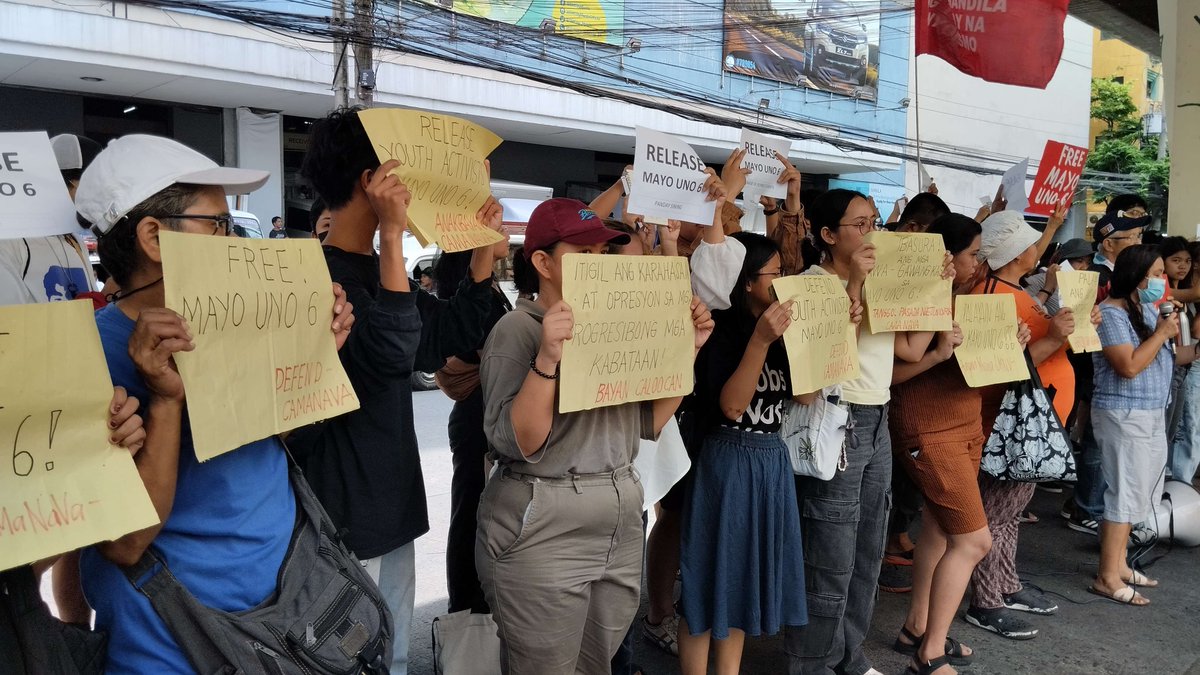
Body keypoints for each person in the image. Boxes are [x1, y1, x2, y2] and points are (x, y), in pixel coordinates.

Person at [71, 134, 353, 673]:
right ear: (154, 236)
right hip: (173, 644)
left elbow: (265, 443)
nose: (236, 240)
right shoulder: (87, 358)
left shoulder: (230, 320)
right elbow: (125, 544)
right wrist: (165, 400)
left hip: (285, 619)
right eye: (218, 225)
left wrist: (312, 357)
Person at [294, 106, 500, 675]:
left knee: (395, 656)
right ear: (372, 182)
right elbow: (389, 353)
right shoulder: (312, 277)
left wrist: (483, 248)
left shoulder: (381, 274)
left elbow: (443, 339)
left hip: (389, 504)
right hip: (340, 513)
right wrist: (390, 234)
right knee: (343, 659)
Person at [477, 197, 715, 673]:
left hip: (619, 515)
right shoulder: (517, 330)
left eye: (603, 256)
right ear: (543, 263)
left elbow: (648, 421)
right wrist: (547, 359)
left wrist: (687, 349)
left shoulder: (614, 328)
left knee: (595, 665)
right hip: (543, 521)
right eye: (583, 256)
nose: (600, 268)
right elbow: (519, 442)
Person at [786, 189, 941, 675]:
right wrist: (852, 286)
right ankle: (812, 664)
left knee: (868, 550)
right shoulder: (808, 287)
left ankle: (848, 658)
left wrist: (937, 289)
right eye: (859, 223)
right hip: (836, 417)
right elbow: (821, 367)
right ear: (828, 235)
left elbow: (912, 351)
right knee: (829, 554)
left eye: (874, 220)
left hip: (877, 420)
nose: (872, 230)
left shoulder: (882, 281)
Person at [678, 228, 811, 675]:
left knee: (739, 585)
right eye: (775, 273)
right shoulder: (724, 331)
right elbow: (733, 407)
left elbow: (808, 396)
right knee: (706, 582)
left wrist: (833, 328)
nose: (783, 281)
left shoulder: (783, 331)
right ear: (747, 281)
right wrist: (760, 341)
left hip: (770, 460)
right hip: (726, 462)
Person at [967, 210, 1087, 640]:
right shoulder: (993, 295)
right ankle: (986, 600)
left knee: (1010, 512)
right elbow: (1000, 368)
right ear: (1019, 253)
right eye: (1032, 241)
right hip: (1014, 424)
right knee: (997, 513)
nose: (1039, 247)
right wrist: (1054, 337)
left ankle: (1006, 583)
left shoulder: (1012, 289)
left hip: (1036, 421)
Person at [889, 214, 991, 675]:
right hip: (931, 431)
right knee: (974, 542)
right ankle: (929, 654)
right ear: (946, 255)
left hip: (964, 423)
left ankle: (919, 626)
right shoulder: (913, 295)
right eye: (973, 253)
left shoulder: (958, 298)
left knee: (937, 527)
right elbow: (908, 361)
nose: (978, 262)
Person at [1088, 245, 1180, 605]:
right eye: (1157, 274)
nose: (1163, 281)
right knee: (1124, 492)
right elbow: (1127, 366)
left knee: (1140, 491)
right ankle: (1107, 576)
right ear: (1136, 276)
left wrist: (1179, 336)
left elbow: (1172, 356)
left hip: (1151, 411)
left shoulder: (1144, 311)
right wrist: (1160, 334)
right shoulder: (1111, 314)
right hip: (1123, 413)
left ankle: (1120, 563)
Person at [431, 234, 513, 617]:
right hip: (478, 415)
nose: (505, 235)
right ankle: (466, 611)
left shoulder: (484, 287)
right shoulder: (472, 294)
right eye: (492, 228)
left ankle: (470, 607)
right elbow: (496, 352)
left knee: (474, 509)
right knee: (473, 514)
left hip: (478, 411)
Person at [1065, 208, 1153, 536]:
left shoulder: (1119, 274)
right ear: (1109, 244)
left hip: (1104, 368)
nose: (1138, 243)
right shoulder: (1098, 276)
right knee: (1095, 442)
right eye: (1132, 238)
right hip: (1094, 366)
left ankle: (1090, 505)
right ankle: (1086, 507)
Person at [0, 133, 102, 306]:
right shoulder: (11, 241)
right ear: (59, 182)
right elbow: (11, 321)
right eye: (93, 186)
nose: (99, 197)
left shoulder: (73, 238)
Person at [1170, 241, 1200, 483]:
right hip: (1178, 365)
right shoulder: (1165, 292)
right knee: (1186, 427)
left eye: (1188, 262)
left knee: (1183, 427)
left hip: (1186, 363)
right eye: (1177, 260)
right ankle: (1179, 482)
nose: (1184, 266)